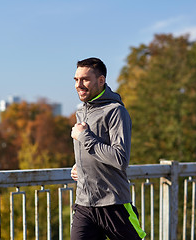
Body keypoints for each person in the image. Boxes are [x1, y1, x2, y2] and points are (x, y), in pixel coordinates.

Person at [70, 57, 146, 240]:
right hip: (84, 205)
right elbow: (94, 151)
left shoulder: (116, 112)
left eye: (85, 79)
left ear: (101, 80)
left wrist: (84, 137)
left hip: (113, 203)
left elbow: (120, 159)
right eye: (76, 80)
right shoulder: (81, 112)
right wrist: (80, 165)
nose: (78, 85)